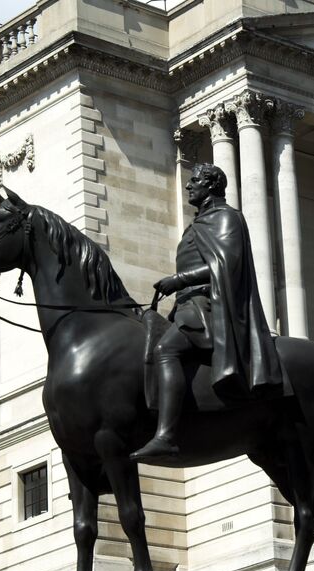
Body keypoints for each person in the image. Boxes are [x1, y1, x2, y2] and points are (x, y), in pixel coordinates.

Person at [131, 163, 282, 462]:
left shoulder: (227, 218)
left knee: (166, 350)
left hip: (211, 307)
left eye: (195, 180)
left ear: (212, 185)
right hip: (188, 306)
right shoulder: (200, 223)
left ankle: (167, 436)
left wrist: (179, 280)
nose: (188, 186)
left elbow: (227, 265)